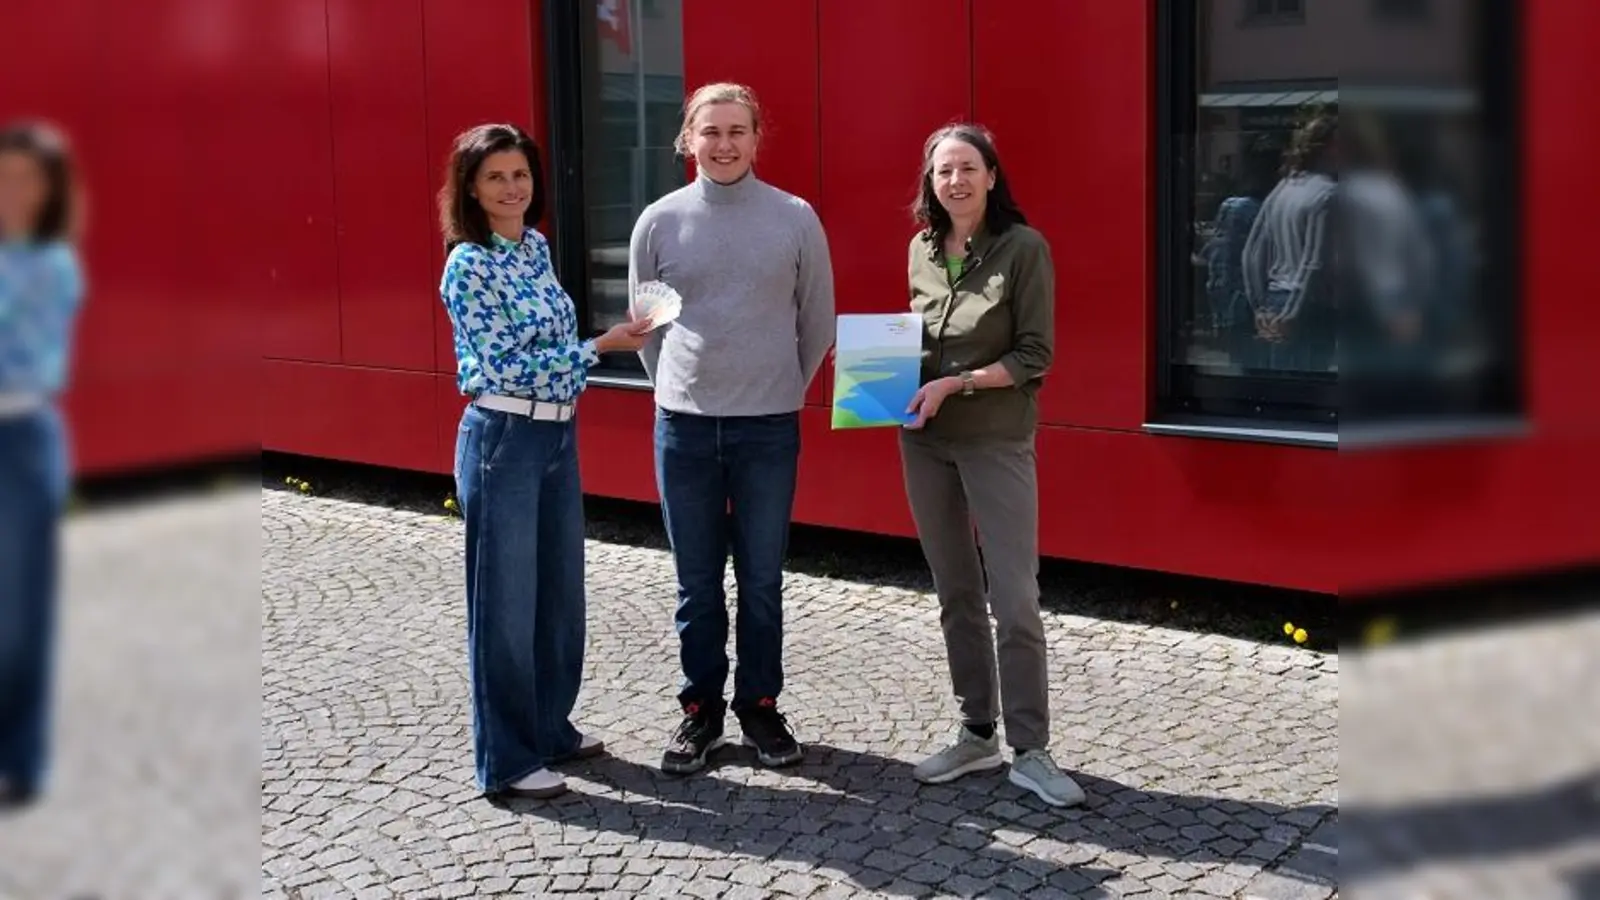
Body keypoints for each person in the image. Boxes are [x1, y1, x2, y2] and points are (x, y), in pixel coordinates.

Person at [437, 123, 649, 800]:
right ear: (471, 187)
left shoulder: (534, 247)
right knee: (504, 605)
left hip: (557, 435)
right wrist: (600, 346)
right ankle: (505, 759)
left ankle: (549, 726)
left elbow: (547, 341)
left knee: (558, 593)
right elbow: (506, 366)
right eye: (495, 176)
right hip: (504, 438)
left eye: (520, 174)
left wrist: (602, 343)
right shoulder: (467, 264)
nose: (511, 187)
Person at [629, 83, 835, 775]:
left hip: (768, 428)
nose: (723, 144)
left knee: (763, 578)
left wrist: (781, 388)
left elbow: (818, 322)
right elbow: (648, 329)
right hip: (683, 429)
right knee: (695, 584)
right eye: (710, 131)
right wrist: (679, 389)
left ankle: (759, 707)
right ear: (687, 138)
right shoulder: (658, 222)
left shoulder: (795, 218)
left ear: (756, 137)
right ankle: (701, 713)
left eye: (736, 131)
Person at [897, 122, 1084, 807]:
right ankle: (977, 733)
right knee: (955, 594)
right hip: (924, 442)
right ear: (932, 182)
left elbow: (1035, 355)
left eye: (968, 168)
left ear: (992, 176)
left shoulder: (1023, 249)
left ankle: (1031, 749)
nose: (956, 180)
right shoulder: (921, 249)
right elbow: (922, 341)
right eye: (944, 171)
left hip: (995, 441)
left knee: (1015, 598)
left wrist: (959, 383)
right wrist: (873, 367)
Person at [0, 120, 85, 809]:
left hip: (20, 435)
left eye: (30, 177)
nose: (15, 190)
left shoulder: (53, 266)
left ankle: (19, 759)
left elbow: (24, 350)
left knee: (21, 614)